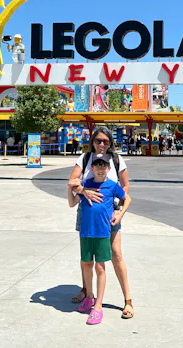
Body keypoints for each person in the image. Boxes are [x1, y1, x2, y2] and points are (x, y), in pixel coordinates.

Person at [67, 127, 134, 319]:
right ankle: (87, 291)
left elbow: (125, 186)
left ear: (110, 142)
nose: (102, 144)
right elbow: (72, 180)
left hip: (110, 213)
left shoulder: (116, 160)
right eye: (98, 141)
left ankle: (128, 300)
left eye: (105, 141)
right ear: (92, 142)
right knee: (87, 256)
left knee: (116, 253)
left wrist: (118, 208)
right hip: (87, 212)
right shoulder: (85, 158)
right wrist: (84, 191)